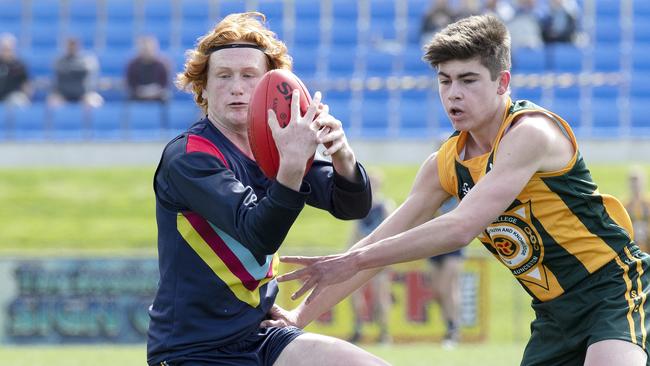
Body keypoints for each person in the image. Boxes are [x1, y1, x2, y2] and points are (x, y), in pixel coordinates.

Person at [272, 14, 650, 366]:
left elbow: (460, 227)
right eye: (444, 80)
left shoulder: (529, 133)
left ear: (502, 82)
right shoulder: (444, 164)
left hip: (614, 289)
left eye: (468, 80)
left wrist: (354, 260)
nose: (453, 94)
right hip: (553, 313)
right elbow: (379, 244)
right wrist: (294, 319)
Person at [146, 12, 388, 366]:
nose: (236, 87)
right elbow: (258, 234)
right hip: (193, 350)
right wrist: (292, 165)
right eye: (224, 76)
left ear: (269, 85)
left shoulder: (276, 145)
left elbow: (350, 205)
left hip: (263, 334)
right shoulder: (189, 156)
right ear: (203, 86)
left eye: (249, 76)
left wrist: (341, 152)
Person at [347, 172, 394, 344]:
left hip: (379, 257)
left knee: (380, 296)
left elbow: (392, 232)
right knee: (354, 294)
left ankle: (384, 333)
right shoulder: (361, 207)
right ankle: (359, 327)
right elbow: (354, 234)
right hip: (361, 257)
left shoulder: (384, 206)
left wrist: (390, 258)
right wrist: (347, 254)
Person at [427, 197, 463, 348]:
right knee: (436, 292)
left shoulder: (457, 196)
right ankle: (449, 322)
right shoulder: (435, 194)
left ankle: (453, 328)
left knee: (447, 288)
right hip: (434, 245)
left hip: (453, 246)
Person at [48, 37, 103, 108]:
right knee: (52, 103)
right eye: (70, 45)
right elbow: (56, 74)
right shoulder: (59, 61)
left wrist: (69, 70)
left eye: (74, 45)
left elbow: (91, 73)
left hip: (84, 94)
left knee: (94, 103)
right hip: (62, 94)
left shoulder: (86, 61)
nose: (72, 47)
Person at [126, 36, 170, 102]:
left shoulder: (162, 65)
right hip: (138, 95)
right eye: (144, 49)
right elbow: (131, 84)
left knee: (166, 97)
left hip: (157, 95)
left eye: (149, 49)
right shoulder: (132, 65)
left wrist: (154, 91)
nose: (146, 51)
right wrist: (141, 91)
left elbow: (165, 84)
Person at [0, 33, 30, 106]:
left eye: (9, 49)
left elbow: (26, 84)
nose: (7, 52)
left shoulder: (19, 65)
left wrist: (26, 94)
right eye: (4, 49)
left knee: (20, 101)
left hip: (12, 96)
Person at [626, 167, 650, 254]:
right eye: (632, 181)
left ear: (644, 182)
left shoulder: (648, 204)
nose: (635, 184)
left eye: (637, 180)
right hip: (632, 254)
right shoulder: (624, 206)